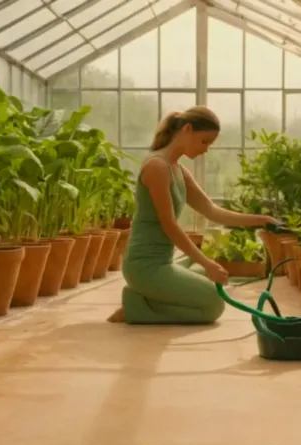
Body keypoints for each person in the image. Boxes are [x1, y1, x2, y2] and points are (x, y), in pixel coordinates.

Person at [107, 106, 281, 325]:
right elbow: (169, 225)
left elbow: (212, 211)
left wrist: (261, 221)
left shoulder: (178, 170)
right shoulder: (156, 167)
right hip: (144, 266)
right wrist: (208, 264)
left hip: (164, 261)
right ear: (187, 129)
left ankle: (148, 297)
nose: (206, 149)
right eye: (204, 141)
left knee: (198, 265)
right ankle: (135, 307)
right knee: (213, 304)